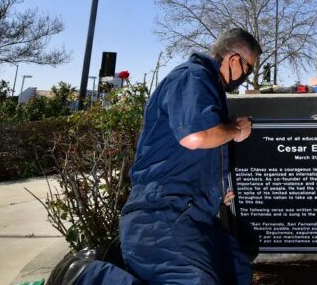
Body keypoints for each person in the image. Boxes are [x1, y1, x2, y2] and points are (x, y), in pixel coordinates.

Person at [55, 28, 262, 285]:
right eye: (249, 69)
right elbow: (195, 137)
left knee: (238, 270)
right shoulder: (193, 77)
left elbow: (192, 155)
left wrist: (217, 189)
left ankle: (122, 261)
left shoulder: (208, 90)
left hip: (194, 211)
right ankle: (84, 276)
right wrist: (235, 130)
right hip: (162, 209)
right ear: (233, 60)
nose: (246, 77)